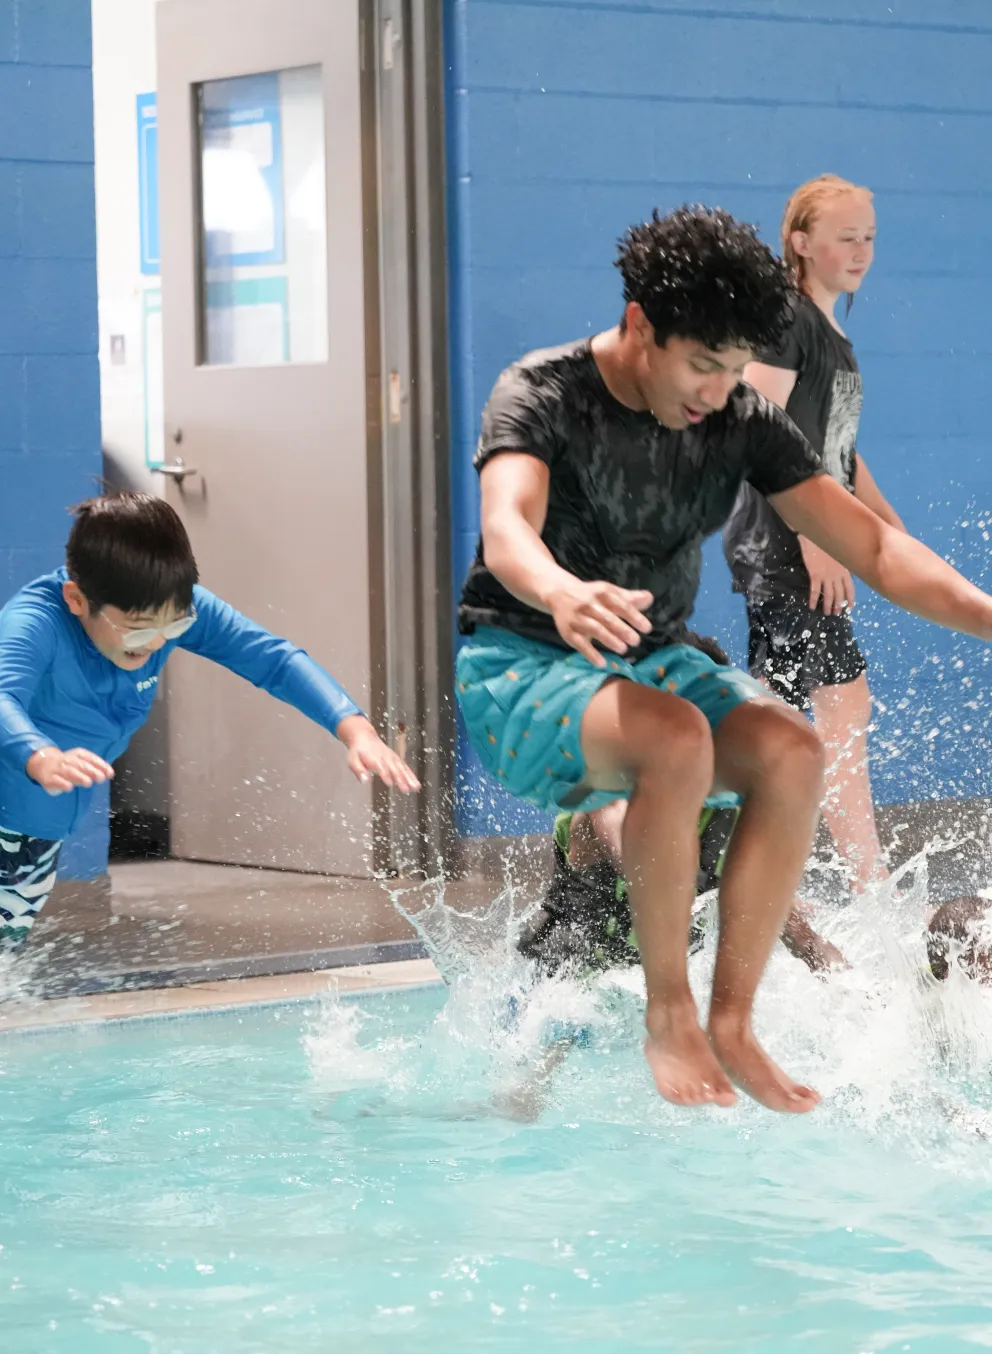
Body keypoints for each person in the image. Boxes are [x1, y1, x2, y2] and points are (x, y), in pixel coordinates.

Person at [455, 204, 992, 1114]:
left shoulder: (739, 416)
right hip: (522, 662)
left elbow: (873, 547)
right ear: (640, 325)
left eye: (737, 368)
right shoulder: (541, 391)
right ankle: (670, 1013)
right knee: (673, 738)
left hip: (651, 661)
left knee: (791, 749)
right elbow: (507, 524)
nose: (719, 390)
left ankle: (732, 1021)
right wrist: (559, 590)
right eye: (703, 364)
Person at [0, 492, 419, 946]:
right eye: (138, 629)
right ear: (77, 600)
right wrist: (39, 755)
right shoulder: (36, 622)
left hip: (36, 827)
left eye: (174, 627)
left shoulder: (166, 609)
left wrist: (356, 730)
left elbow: (273, 660)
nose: (155, 643)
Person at [724, 175, 902, 894]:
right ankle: (870, 887)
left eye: (869, 237)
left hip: (796, 541)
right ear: (800, 242)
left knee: (779, 717)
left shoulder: (828, 332)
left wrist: (887, 528)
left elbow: (837, 449)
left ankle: (732, 870)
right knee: (840, 706)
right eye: (845, 237)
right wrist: (816, 537)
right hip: (784, 545)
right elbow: (760, 428)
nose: (860, 250)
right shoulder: (788, 319)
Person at [518, 633, 843, 978]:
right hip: (568, 995)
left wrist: (855, 989)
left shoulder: (730, 814)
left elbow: (807, 943)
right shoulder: (606, 795)